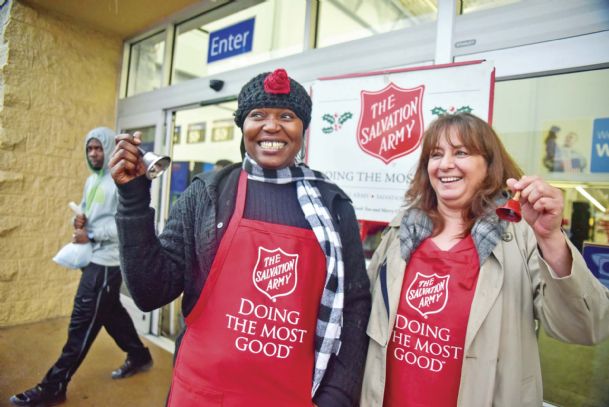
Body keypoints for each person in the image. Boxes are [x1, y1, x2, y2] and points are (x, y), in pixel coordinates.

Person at [109, 68, 371, 406]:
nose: (272, 126)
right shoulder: (206, 194)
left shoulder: (332, 204)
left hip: (292, 397)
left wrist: (338, 394)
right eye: (257, 114)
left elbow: (355, 303)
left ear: (303, 129)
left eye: (287, 116)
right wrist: (132, 200)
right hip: (201, 393)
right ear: (242, 126)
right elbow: (150, 291)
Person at [360, 113, 609, 406]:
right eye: (436, 154)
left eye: (461, 152)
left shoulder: (519, 237)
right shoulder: (401, 231)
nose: (445, 164)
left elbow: (587, 327)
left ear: (489, 165)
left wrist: (551, 239)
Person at [9, 127, 153, 407]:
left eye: (99, 148)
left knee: (81, 323)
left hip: (108, 263)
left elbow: (124, 225)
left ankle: (54, 386)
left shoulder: (118, 182)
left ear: (110, 147)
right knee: (111, 314)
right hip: (93, 259)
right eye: (90, 149)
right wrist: (79, 222)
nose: (94, 153)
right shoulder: (92, 180)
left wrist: (94, 234)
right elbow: (89, 212)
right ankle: (139, 356)